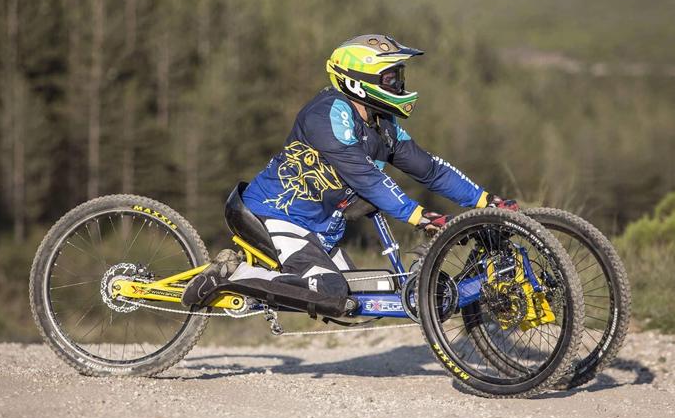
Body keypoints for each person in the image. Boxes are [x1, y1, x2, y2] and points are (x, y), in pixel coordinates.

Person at [182, 34, 518, 309]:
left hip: (317, 229)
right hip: (274, 216)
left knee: (367, 299)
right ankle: (229, 276)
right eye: (390, 77)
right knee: (330, 293)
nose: (399, 84)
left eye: (398, 76)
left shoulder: (382, 123)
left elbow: (430, 170)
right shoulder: (329, 114)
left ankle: (247, 273)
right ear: (359, 81)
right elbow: (364, 176)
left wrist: (486, 200)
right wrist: (418, 216)